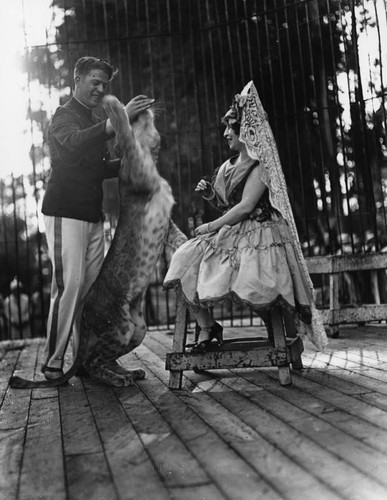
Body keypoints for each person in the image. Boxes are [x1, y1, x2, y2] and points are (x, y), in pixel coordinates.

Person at [164, 81, 328, 351]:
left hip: (260, 229)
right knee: (183, 258)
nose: (227, 133)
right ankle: (207, 326)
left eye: (233, 128)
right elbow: (229, 206)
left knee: (255, 279)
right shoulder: (226, 167)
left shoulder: (260, 164)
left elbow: (245, 207)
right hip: (233, 231)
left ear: (247, 132)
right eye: (227, 127)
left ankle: (280, 339)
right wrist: (211, 198)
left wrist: (209, 227)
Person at [41, 56, 154, 381]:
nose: (100, 88)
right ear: (77, 80)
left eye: (104, 84)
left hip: (92, 215)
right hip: (64, 212)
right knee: (69, 286)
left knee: (91, 293)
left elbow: (99, 168)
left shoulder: (91, 120)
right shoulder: (64, 116)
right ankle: (53, 362)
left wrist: (134, 157)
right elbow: (74, 144)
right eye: (95, 81)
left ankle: (89, 361)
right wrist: (117, 120)